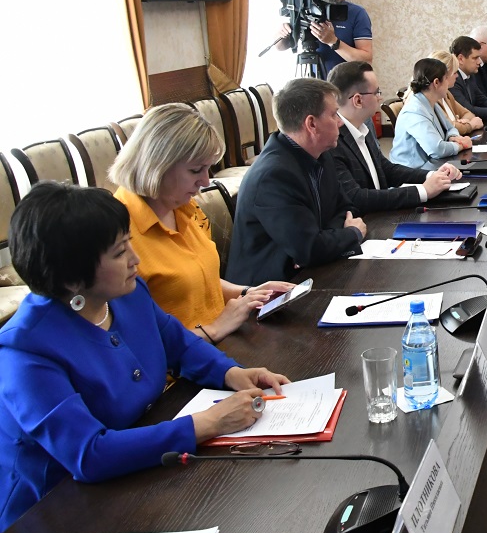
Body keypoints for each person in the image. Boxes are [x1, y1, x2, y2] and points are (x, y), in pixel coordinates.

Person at [0, 183, 290, 532]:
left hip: (136, 472)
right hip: (54, 511)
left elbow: (177, 343)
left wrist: (231, 373)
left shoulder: (126, 292)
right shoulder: (24, 351)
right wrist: (209, 423)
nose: (135, 259)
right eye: (120, 252)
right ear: (73, 277)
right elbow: (88, 454)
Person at [109, 104, 293, 343]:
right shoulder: (116, 235)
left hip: (222, 342)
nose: (206, 182)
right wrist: (213, 329)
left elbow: (200, 280)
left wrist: (248, 293)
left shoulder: (183, 206)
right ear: (157, 165)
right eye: (196, 170)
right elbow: (134, 341)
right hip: (184, 360)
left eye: (208, 169)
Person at [226, 79, 367, 284]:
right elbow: (309, 248)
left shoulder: (321, 154)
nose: (340, 122)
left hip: (312, 272)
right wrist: (352, 233)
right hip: (268, 291)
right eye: (334, 114)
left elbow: (346, 208)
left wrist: (323, 239)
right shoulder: (273, 176)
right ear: (312, 124)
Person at [327, 61, 460, 214]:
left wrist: (432, 175)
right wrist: (423, 191)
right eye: (377, 92)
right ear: (358, 100)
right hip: (367, 222)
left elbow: (386, 169)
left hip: (381, 214)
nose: (380, 97)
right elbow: (356, 197)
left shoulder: (362, 127)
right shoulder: (332, 141)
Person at [274, 0, 372, 75]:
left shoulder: (356, 13)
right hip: (313, 81)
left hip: (346, 83)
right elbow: (280, 47)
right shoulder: (306, 8)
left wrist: (333, 42)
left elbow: (366, 61)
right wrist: (283, 33)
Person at [391, 58, 473, 169]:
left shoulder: (431, 102)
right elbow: (437, 150)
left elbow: (450, 128)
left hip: (432, 165)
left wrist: (453, 137)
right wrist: (461, 145)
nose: (448, 83)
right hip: (413, 172)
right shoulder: (414, 111)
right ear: (436, 82)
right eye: (446, 78)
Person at [428, 51, 484, 135]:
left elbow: (469, 114)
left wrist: (460, 123)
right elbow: (449, 127)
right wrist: (470, 125)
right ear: (443, 75)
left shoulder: (447, 94)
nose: (457, 76)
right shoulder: (432, 99)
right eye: (454, 72)